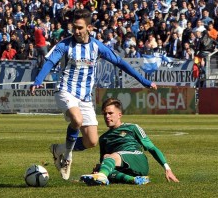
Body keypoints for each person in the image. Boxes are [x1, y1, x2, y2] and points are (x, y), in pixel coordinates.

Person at [30, 8, 157, 181]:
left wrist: (144, 81)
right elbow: (50, 62)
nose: (76, 31)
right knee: (77, 120)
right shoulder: (64, 45)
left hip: (85, 97)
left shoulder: (97, 47)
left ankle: (59, 149)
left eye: (80, 28)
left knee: (91, 141)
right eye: (74, 27)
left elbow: (119, 62)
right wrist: (38, 80)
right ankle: (67, 157)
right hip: (65, 90)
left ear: (89, 28)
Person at [80, 98, 179, 186]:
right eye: (105, 114)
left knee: (109, 158)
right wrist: (98, 169)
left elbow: (152, 148)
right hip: (122, 166)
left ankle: (101, 176)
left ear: (119, 115)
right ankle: (134, 180)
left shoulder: (132, 128)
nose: (107, 116)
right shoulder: (103, 138)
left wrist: (167, 169)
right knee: (104, 165)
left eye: (110, 113)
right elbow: (105, 161)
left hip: (138, 160)